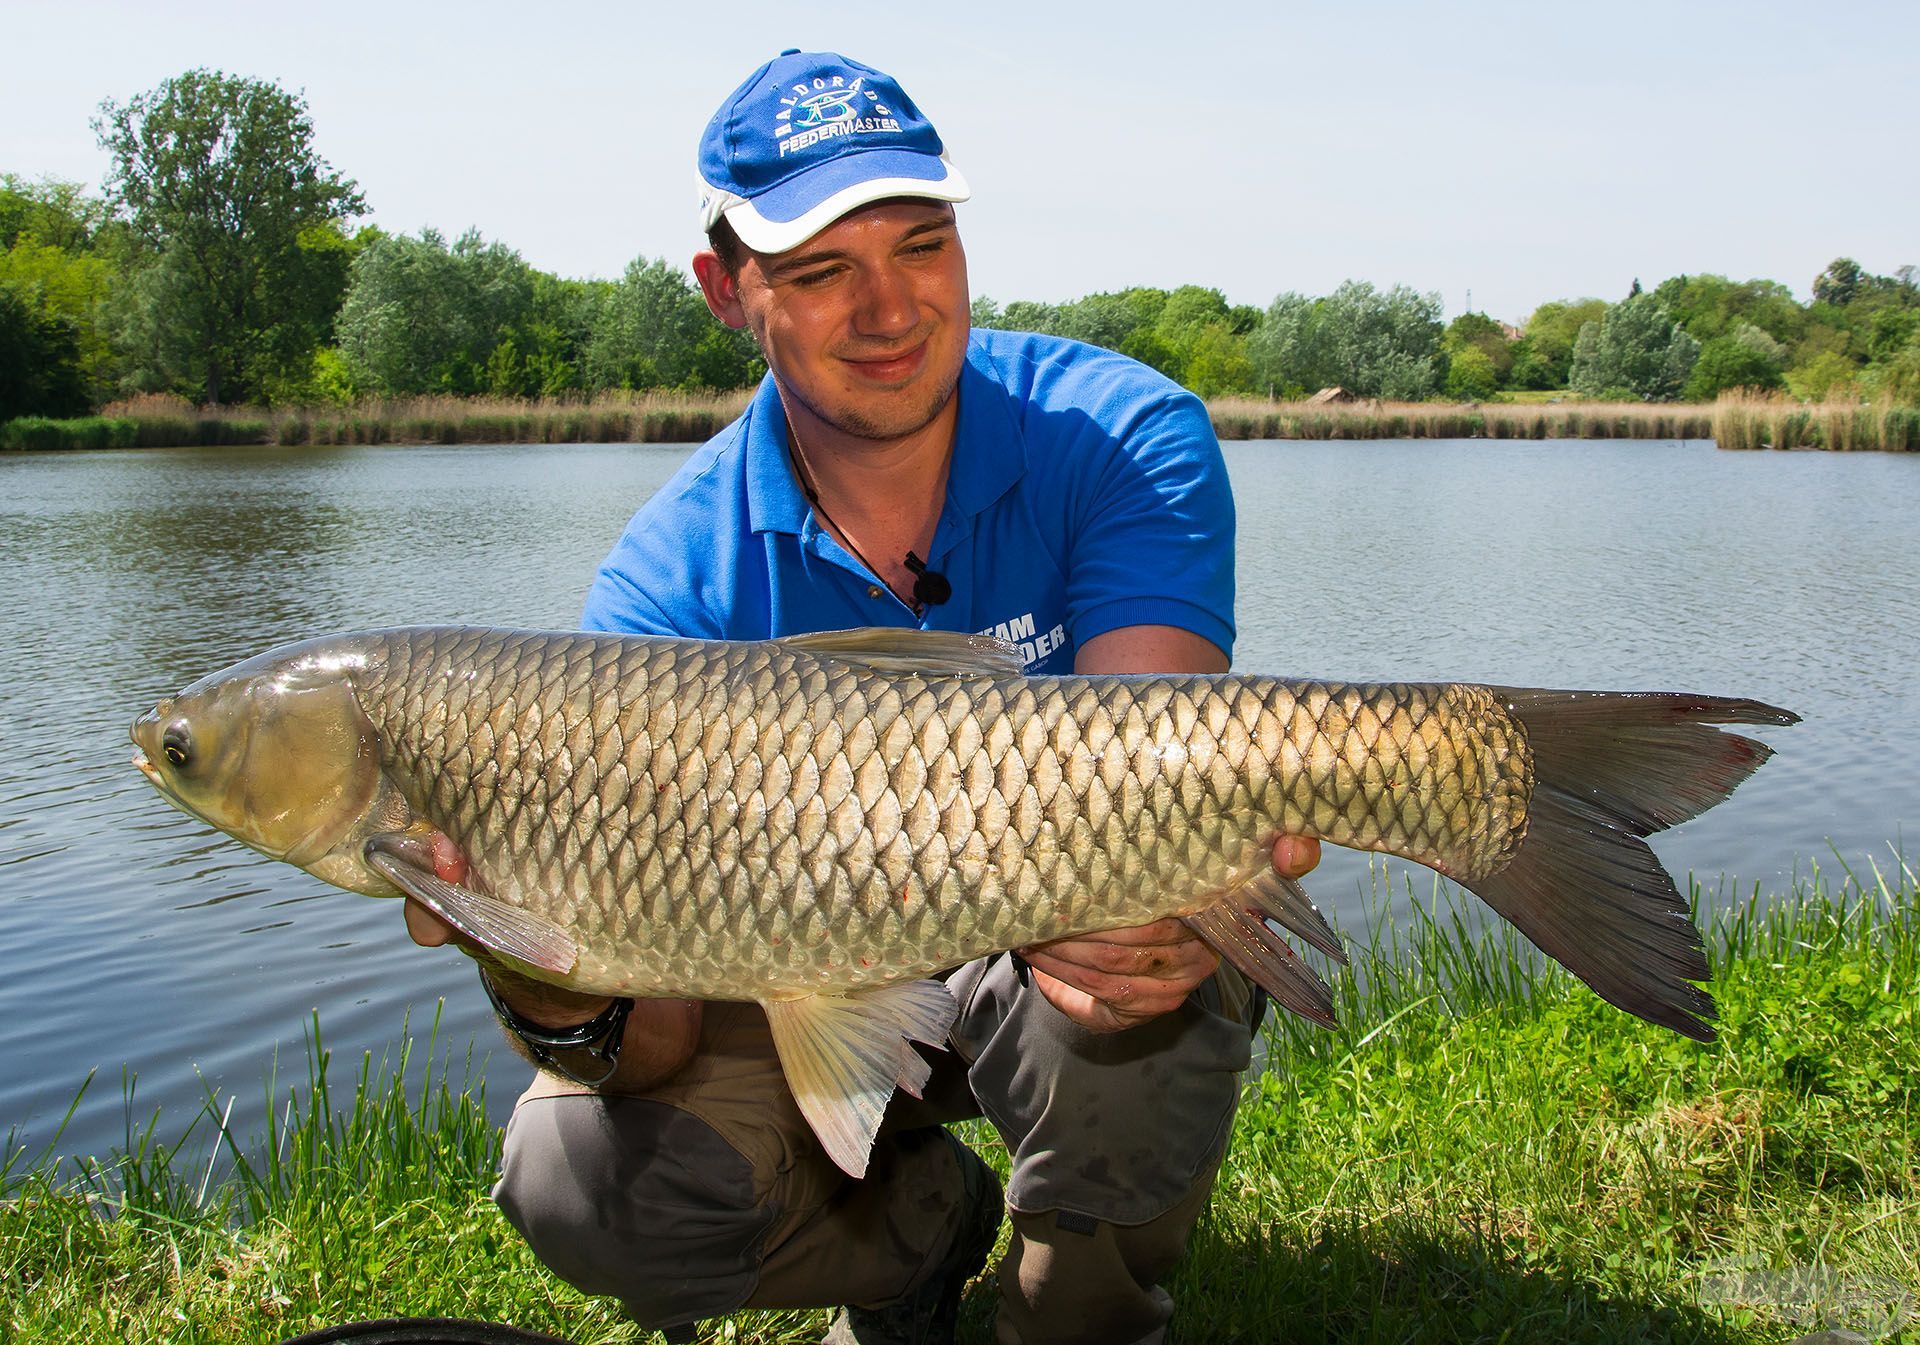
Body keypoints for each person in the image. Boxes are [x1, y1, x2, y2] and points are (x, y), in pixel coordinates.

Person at [405, 49, 1321, 1345]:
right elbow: (657, 1038)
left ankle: (1078, 1298)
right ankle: (912, 1236)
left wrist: (1139, 900)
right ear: (728, 290)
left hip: (1048, 951)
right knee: (577, 1174)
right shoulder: (669, 586)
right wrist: (556, 986)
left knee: (1143, 958)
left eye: (922, 245)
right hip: (800, 983)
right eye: (823, 270)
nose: (890, 309)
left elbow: (1144, 775)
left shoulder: (1124, 431)